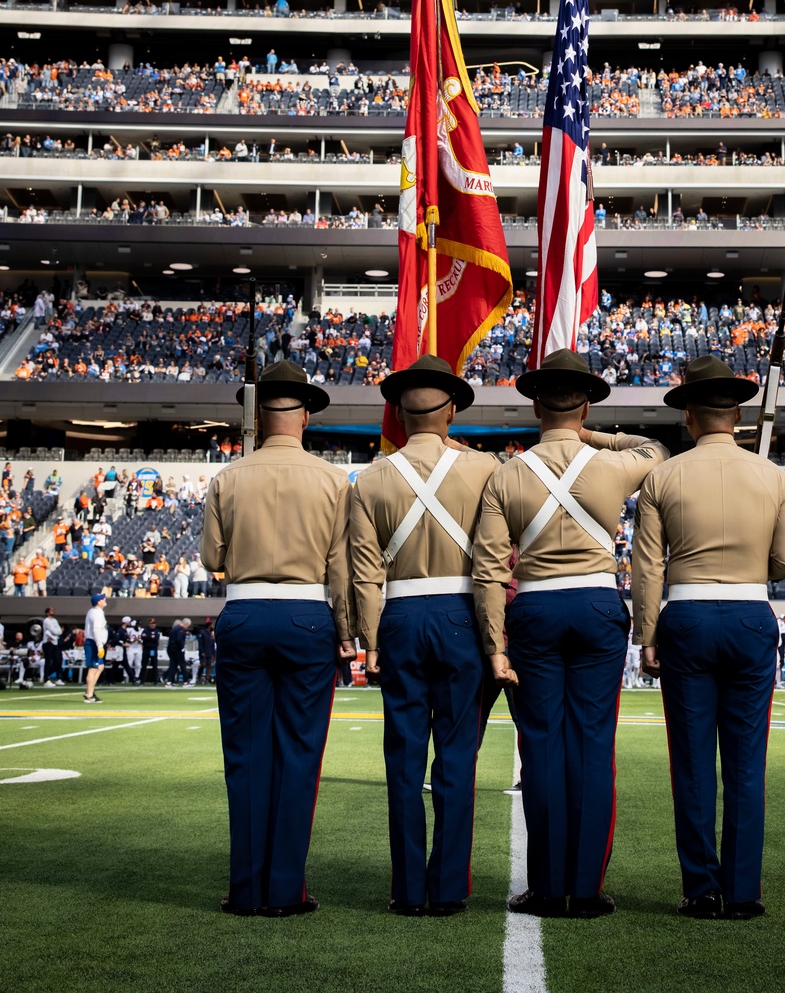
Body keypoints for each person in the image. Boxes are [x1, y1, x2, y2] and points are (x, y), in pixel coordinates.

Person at [473, 348, 668, 920]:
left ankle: (546, 885)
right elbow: (654, 451)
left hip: (532, 610)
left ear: (534, 405)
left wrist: (495, 645)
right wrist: (594, 437)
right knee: (591, 747)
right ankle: (585, 889)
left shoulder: (504, 475)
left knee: (541, 750)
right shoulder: (611, 464)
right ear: (586, 404)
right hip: (596, 606)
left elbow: (489, 569)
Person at [632, 355, 785, 922]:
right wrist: (755, 566)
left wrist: (646, 633)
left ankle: (701, 890)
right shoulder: (774, 476)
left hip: (686, 618)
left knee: (694, 765)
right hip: (752, 615)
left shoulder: (663, 476)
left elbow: (648, 566)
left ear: (689, 417)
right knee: (747, 765)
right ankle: (744, 892)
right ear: (738, 416)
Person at [201, 359, 355, 918]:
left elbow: (211, 559)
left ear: (258, 416)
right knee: (299, 756)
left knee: (244, 758)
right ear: (306, 416)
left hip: (242, 614)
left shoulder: (228, 477)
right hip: (307, 618)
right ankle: (286, 890)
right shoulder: (335, 480)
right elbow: (341, 567)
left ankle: (245, 890)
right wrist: (348, 632)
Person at [352, 355, 496, 917]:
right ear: (452, 411)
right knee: (458, 758)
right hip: (463, 615)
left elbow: (365, 573)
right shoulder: (484, 469)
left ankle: (408, 889)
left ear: (397, 414)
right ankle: (449, 889)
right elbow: (495, 561)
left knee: (403, 763)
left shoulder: (369, 478)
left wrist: (369, 643)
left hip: (401, 618)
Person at [83, 593, 108, 704]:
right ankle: (89, 694)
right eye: (103, 598)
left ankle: (91, 690)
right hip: (94, 642)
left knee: (100, 667)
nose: (105, 599)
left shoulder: (93, 611)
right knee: (93, 668)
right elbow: (96, 629)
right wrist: (99, 646)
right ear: (99, 602)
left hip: (94, 642)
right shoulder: (97, 613)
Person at [164, 618, 192, 686]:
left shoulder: (174, 628)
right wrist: (182, 647)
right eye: (188, 626)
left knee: (173, 665)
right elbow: (179, 639)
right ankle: (185, 681)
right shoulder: (180, 629)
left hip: (170, 648)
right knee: (182, 664)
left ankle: (170, 681)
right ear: (186, 624)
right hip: (177, 649)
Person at [41, 607, 64, 687]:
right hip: (48, 643)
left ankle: (58, 678)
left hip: (55, 642)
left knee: (58, 661)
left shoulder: (55, 620)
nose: (53, 612)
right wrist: (57, 632)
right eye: (51, 611)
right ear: (47, 613)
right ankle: (46, 680)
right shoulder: (46, 621)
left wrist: (57, 632)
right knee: (48, 661)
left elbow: (59, 631)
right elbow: (53, 631)